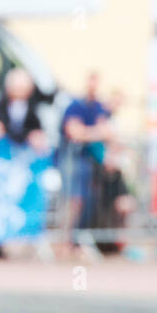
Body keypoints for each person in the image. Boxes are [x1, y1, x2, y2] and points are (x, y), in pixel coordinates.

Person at [59, 71, 112, 235]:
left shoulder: (98, 107)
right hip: (71, 158)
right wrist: (96, 133)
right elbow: (75, 132)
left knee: (83, 201)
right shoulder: (75, 105)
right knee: (70, 200)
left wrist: (87, 133)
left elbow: (107, 132)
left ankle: (74, 239)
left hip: (87, 160)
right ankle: (64, 240)